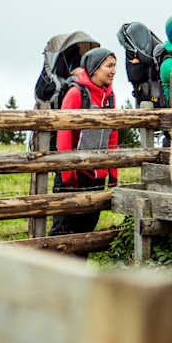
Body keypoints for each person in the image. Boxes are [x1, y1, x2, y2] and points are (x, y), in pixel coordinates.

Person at [49, 47, 119, 237]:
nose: (113, 71)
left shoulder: (110, 96)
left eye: (114, 66)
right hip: (73, 176)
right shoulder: (75, 93)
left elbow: (111, 136)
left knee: (87, 230)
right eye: (109, 66)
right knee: (64, 230)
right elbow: (63, 136)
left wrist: (113, 173)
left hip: (97, 176)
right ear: (95, 68)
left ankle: (79, 267)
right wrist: (68, 175)